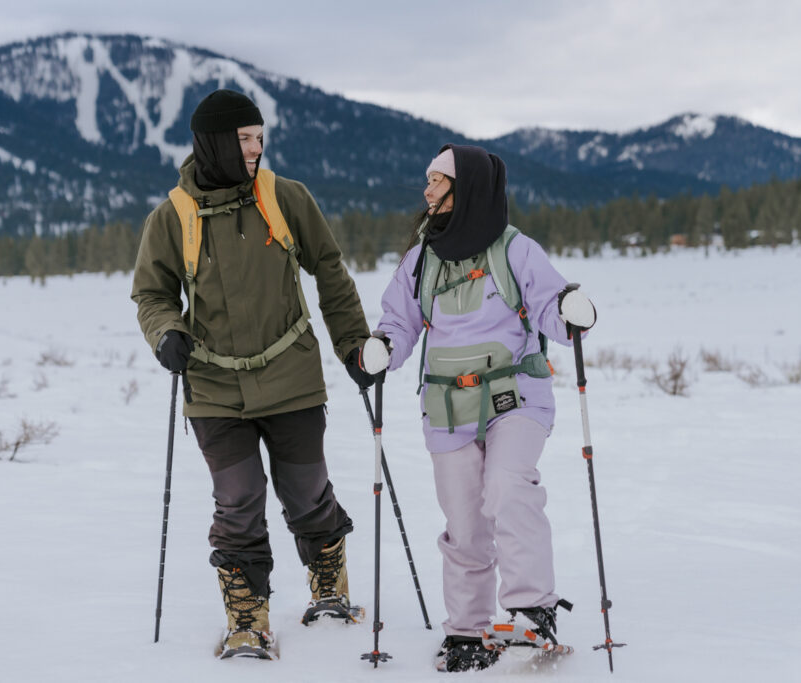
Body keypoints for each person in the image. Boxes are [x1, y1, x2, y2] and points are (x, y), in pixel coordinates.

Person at [131, 89, 376, 659]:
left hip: (291, 375)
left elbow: (330, 271)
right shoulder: (172, 217)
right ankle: (249, 617)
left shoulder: (285, 197)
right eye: (244, 138)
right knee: (237, 500)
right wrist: (166, 333)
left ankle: (328, 585)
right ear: (214, 142)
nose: (256, 148)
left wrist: (355, 347)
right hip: (213, 387)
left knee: (306, 492)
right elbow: (151, 293)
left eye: (260, 137)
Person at [356, 144, 597, 672]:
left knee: (509, 485)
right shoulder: (420, 260)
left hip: (516, 398)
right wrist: (381, 350)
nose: (427, 190)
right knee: (464, 524)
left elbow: (550, 304)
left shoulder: (516, 251)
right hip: (446, 408)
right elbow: (398, 322)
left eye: (437, 180)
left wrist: (570, 313)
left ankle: (533, 606)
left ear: (466, 189)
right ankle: (467, 631)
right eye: (427, 180)